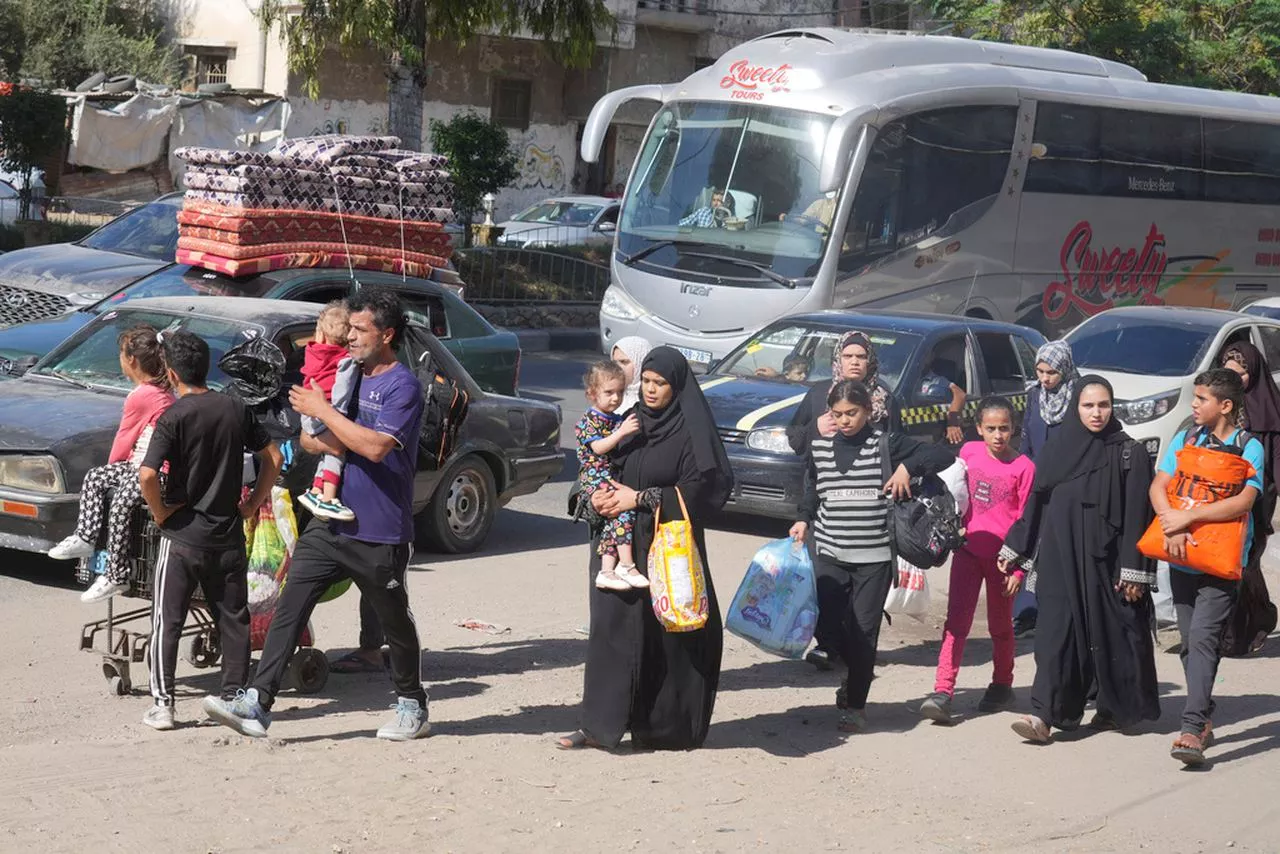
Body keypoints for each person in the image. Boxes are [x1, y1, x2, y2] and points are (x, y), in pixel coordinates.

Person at [203, 287, 430, 741]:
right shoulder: (348, 372)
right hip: (329, 520)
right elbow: (310, 441)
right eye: (348, 328)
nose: (350, 337)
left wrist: (327, 417)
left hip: (380, 527)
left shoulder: (402, 385)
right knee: (290, 604)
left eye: (360, 330)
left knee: (394, 620)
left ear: (386, 335)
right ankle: (257, 701)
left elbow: (376, 447)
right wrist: (326, 424)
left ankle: (411, 703)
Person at [557, 347, 732, 751]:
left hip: (665, 547)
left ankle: (661, 728)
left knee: (664, 636)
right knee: (608, 631)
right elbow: (592, 464)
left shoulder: (689, 433)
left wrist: (640, 498)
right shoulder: (627, 423)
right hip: (614, 545)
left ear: (677, 387)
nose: (650, 391)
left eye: (660, 384)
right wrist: (594, 497)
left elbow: (701, 492)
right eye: (646, 383)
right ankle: (597, 725)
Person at [1000, 376, 1160, 744]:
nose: (1096, 413)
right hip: (1060, 557)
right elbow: (1035, 505)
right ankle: (1043, 714)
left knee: (1114, 634)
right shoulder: (1058, 449)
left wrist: (1134, 570)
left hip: (1107, 562)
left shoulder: (1128, 452)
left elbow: (1139, 514)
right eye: (1088, 406)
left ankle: (1113, 708)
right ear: (1076, 408)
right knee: (1055, 634)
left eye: (1103, 405)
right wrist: (1017, 550)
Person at [136, 330, 282, 731]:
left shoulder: (174, 416)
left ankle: (163, 705)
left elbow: (148, 474)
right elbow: (273, 456)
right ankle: (234, 696)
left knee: (168, 619)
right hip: (228, 534)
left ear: (170, 372)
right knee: (233, 618)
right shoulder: (235, 408)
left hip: (182, 536)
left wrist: (162, 512)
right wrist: (253, 501)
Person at [789, 379, 954, 733]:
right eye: (838, 414)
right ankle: (853, 672)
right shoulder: (819, 447)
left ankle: (855, 704)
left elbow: (944, 454)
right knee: (830, 626)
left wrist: (908, 468)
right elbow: (812, 490)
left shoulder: (886, 444)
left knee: (865, 631)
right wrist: (803, 519)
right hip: (829, 554)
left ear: (868, 411)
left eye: (853, 413)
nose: (845, 420)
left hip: (875, 558)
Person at [1151, 368, 1263, 765]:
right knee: (1190, 642)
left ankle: (1191, 728)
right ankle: (1204, 715)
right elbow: (1159, 485)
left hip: (1220, 562)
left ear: (1225, 406)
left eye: (1201, 399)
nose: (1194, 405)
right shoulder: (1185, 438)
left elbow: (1244, 502)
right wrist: (1171, 521)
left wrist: (1188, 520)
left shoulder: (1249, 446)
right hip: (1182, 557)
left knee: (1201, 639)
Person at [787, 330, 901, 671]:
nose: (854, 362)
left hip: (870, 506)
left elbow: (899, 446)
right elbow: (794, 440)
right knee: (828, 580)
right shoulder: (818, 394)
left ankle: (857, 642)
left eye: (861, 356)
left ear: (870, 361)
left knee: (862, 582)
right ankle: (827, 643)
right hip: (825, 499)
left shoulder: (886, 399)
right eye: (848, 356)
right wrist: (814, 429)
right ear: (838, 360)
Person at [918, 397, 1034, 724]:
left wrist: (1019, 567)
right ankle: (943, 691)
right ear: (979, 428)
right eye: (991, 429)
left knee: (1000, 626)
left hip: (1003, 562)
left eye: (1005, 429)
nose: (998, 436)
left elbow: (1028, 521)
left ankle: (1002, 684)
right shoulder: (968, 452)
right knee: (956, 623)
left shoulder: (1024, 468)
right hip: (967, 552)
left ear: (1015, 429)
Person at [50, 325, 174, 602]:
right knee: (96, 477)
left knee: (120, 503)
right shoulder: (158, 391)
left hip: (154, 470)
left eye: (121, 353)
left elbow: (125, 436)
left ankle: (116, 575)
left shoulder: (142, 395)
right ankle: (85, 537)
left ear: (131, 360)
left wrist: (115, 465)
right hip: (140, 465)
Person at [1013, 339, 1079, 639]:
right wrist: (1024, 472)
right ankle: (1027, 612)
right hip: (1036, 482)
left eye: (1050, 372)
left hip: (1067, 485)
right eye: (1040, 371)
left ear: (1064, 368)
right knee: (1030, 542)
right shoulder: (1034, 395)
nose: (1044, 378)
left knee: (1057, 546)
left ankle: (1057, 611)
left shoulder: (1079, 397)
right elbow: (1026, 436)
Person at [1218, 343, 1279, 655]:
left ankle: (1244, 629)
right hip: (1223, 495)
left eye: (1239, 375)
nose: (1233, 380)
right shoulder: (1222, 405)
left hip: (1257, 499)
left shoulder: (1268, 411)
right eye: (1227, 372)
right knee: (1233, 561)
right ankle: (1254, 618)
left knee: (1246, 560)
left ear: (1252, 375)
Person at [575, 360, 645, 591]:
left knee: (615, 520)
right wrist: (622, 432)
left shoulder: (615, 418)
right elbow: (598, 448)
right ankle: (625, 564)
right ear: (591, 394)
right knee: (622, 511)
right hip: (596, 476)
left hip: (608, 476)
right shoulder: (589, 420)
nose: (615, 398)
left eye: (620, 393)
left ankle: (607, 570)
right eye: (609, 393)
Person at [297, 300, 359, 523]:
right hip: (325, 408)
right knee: (335, 451)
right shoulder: (346, 361)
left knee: (326, 451)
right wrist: (337, 416)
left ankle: (316, 491)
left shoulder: (313, 352)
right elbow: (342, 389)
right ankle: (329, 497)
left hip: (307, 414)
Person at [918, 356, 967, 446]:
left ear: (931, 356)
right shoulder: (903, 375)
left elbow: (960, 394)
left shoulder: (937, 380)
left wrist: (952, 421)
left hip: (931, 428)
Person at [611, 336, 653, 413]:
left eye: (624, 362)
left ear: (640, 362)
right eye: (614, 363)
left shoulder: (653, 397)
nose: (617, 367)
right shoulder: (608, 394)